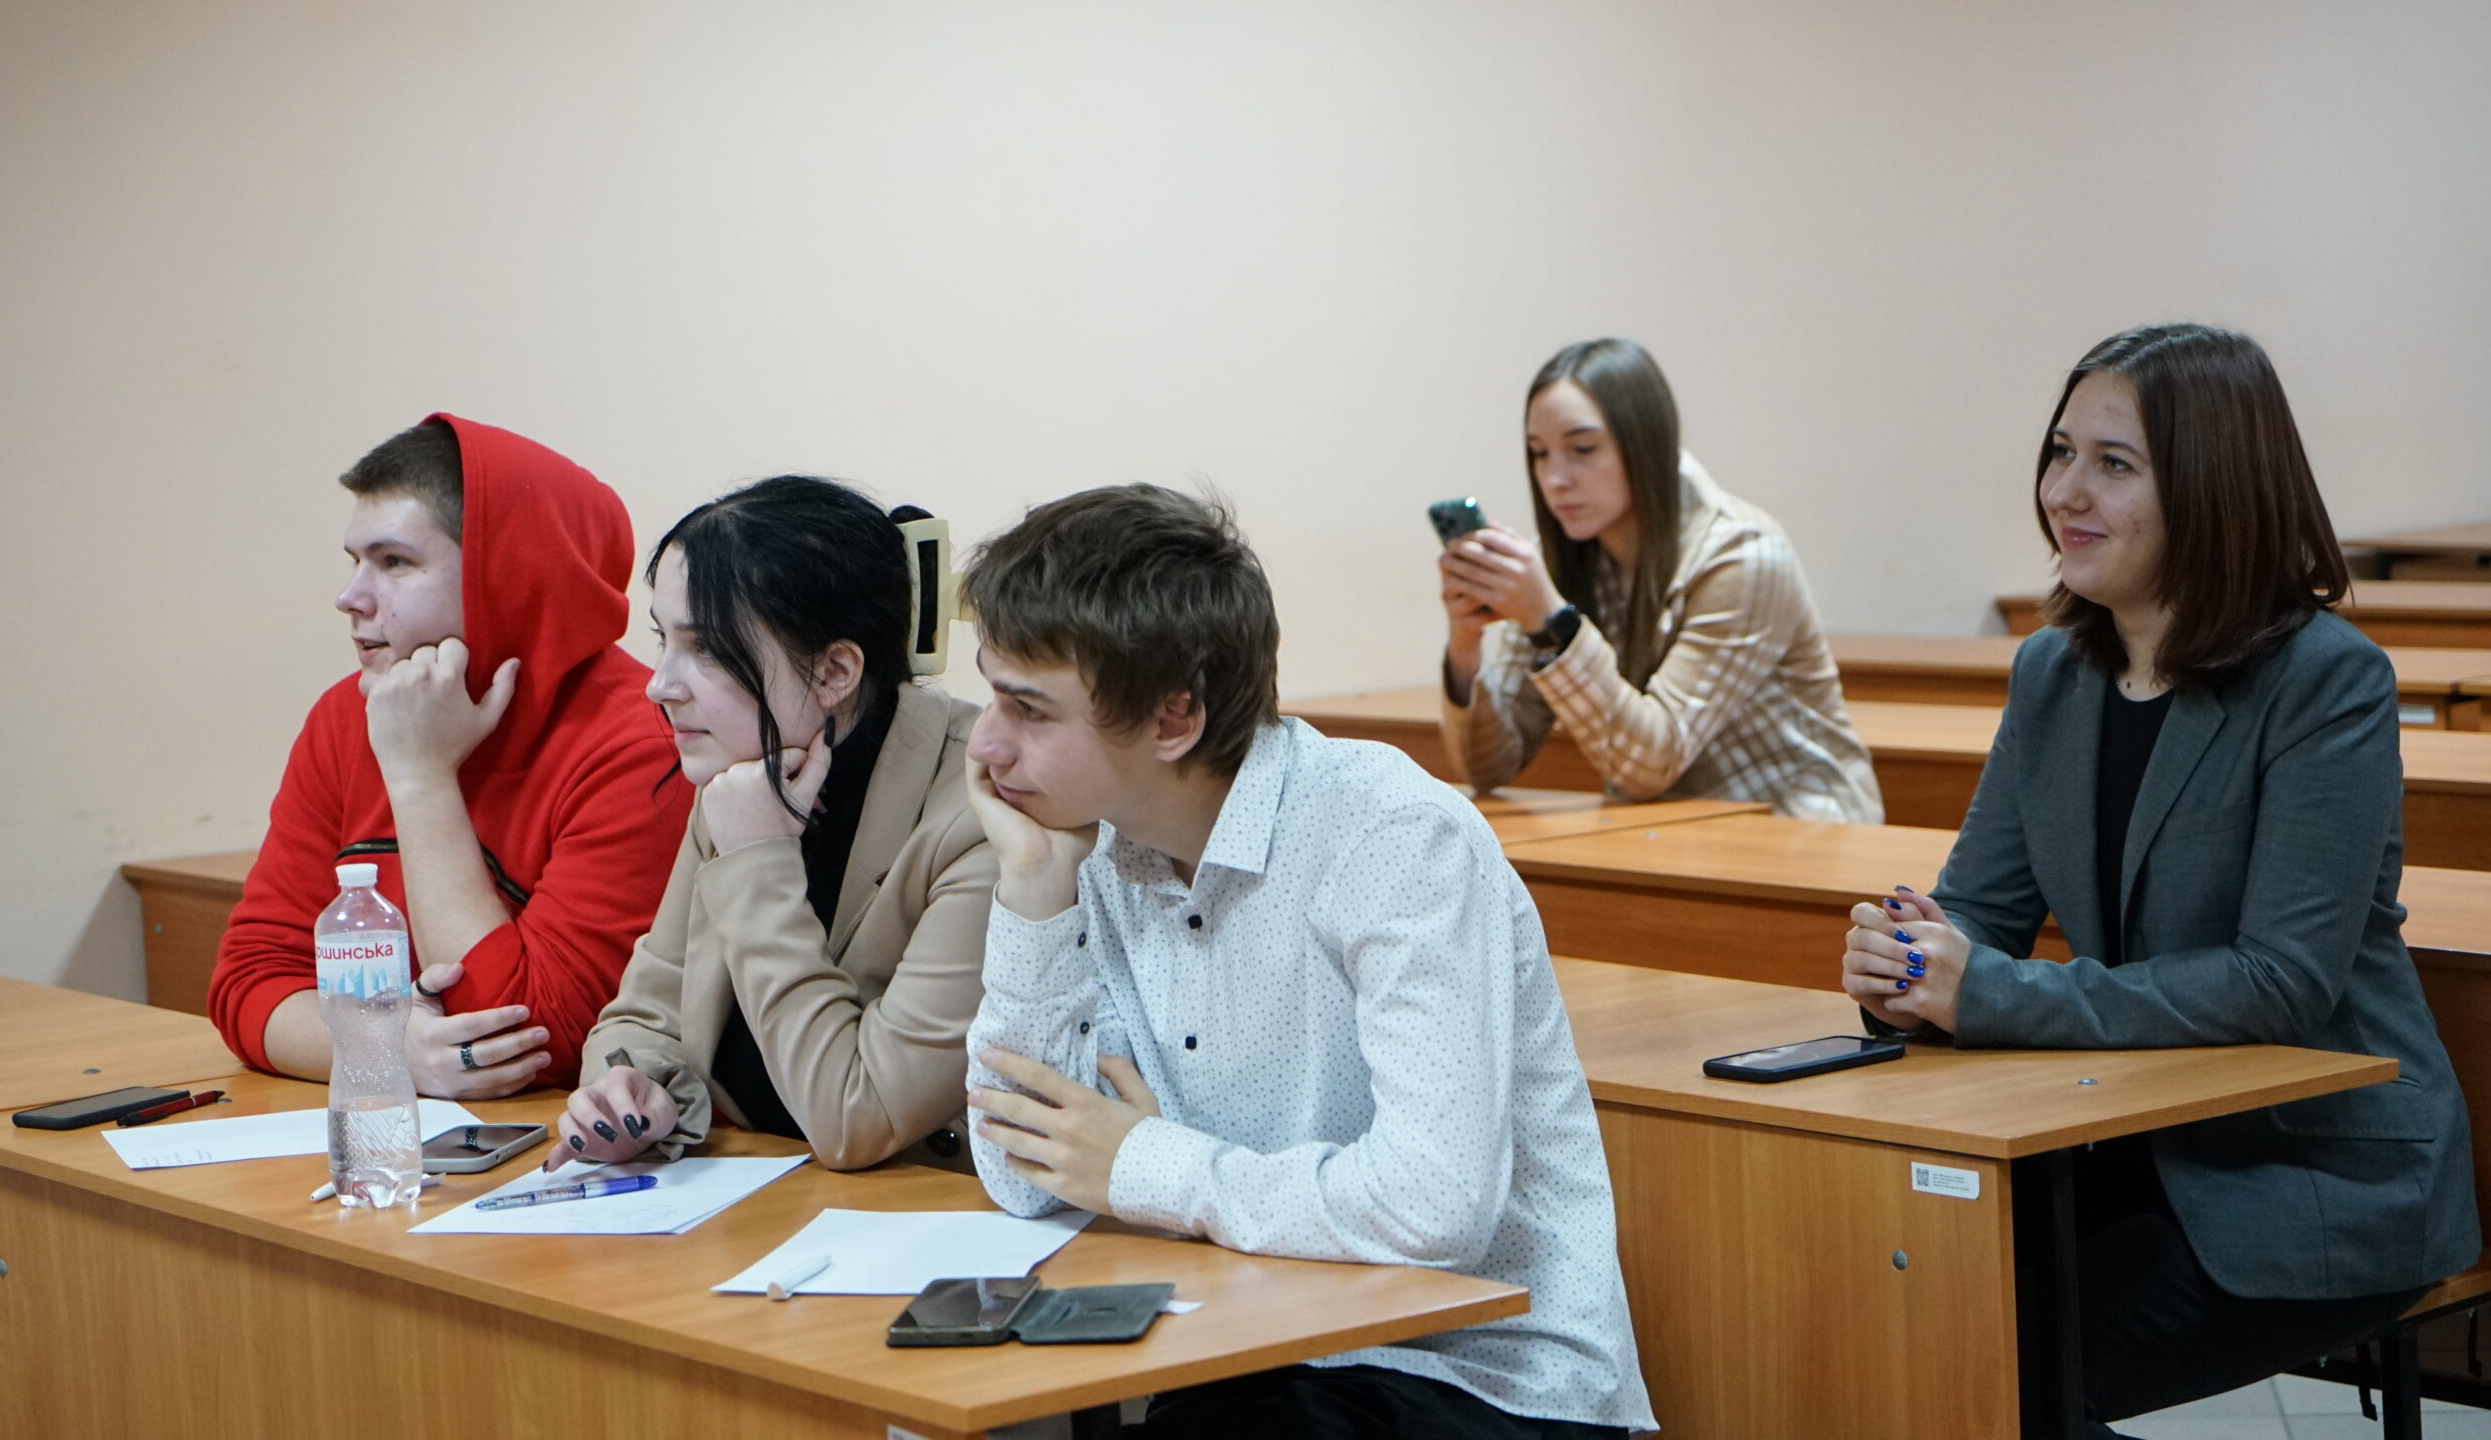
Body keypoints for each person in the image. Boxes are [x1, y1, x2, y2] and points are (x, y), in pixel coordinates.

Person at [1839, 323, 2479, 1435]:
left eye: (2113, 463)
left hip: (2314, 1169)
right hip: (2131, 1145)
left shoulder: (2326, 680)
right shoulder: (2052, 671)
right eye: (2059, 452)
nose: (2064, 492)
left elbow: (2280, 980)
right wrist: (1902, 964)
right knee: (1892, 1334)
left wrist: (1983, 990)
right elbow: (1980, 913)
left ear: (2211, 487)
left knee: (2011, 1385)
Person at [958, 485, 1650, 1439]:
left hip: (1479, 1377)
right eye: (991, 694)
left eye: (1028, 709)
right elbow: (1027, 1175)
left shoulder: (1391, 837)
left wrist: (1156, 1169)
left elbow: (1434, 1207)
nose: (984, 744)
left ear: (1173, 718)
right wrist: (1035, 886)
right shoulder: (1097, 846)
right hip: (1247, 1349)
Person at [210, 416, 689, 1099]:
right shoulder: (348, 716)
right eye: (355, 561)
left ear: (504, 575)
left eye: (393, 562)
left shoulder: (643, 747)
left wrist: (421, 778)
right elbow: (250, 981)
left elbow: (529, 1039)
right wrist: (383, 1048)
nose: (350, 598)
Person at [540, 477, 995, 1174]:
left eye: (708, 649)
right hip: (777, 1194)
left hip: (934, 1211)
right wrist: (629, 1090)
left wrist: (758, 858)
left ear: (835, 672)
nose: (659, 685)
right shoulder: (746, 770)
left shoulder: (980, 813)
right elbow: (642, 1017)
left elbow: (858, 1118)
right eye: (664, 640)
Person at [1439, 337, 1881, 822]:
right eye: (1539, 453)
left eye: (1582, 448)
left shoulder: (1743, 555)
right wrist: (1465, 645)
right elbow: (1489, 768)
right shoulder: (1561, 559)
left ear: (1644, 443)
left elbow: (1652, 762)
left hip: (1801, 824)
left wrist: (1552, 623)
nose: (1555, 477)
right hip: (1672, 831)